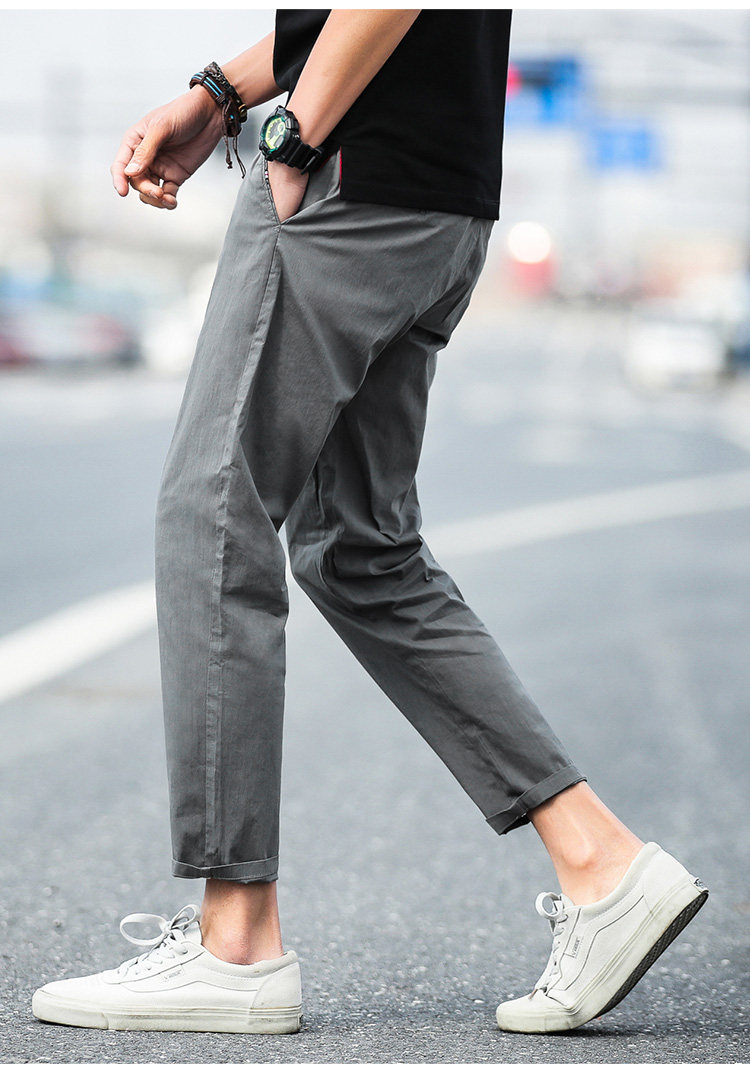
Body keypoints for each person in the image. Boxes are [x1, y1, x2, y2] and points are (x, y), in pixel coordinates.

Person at [32, 10, 708, 1036]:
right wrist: (221, 92)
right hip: (435, 199)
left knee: (214, 508)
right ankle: (602, 863)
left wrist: (295, 135)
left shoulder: (316, 150)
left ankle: (234, 942)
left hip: (345, 181)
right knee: (361, 549)